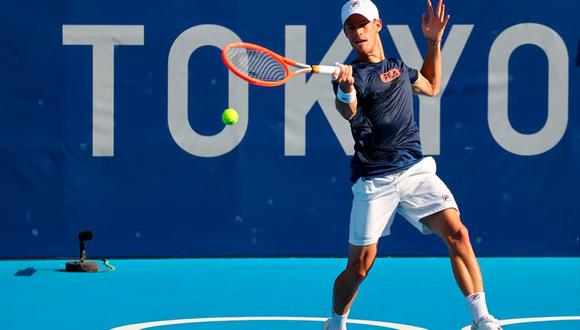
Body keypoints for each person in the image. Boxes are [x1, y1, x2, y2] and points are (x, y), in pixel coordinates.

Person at [324, 1, 502, 329]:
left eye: (363, 23)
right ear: (346, 34)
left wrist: (433, 42)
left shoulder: (398, 66)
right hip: (374, 180)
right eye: (351, 27)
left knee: (458, 234)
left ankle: (481, 318)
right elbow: (347, 111)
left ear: (378, 26)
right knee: (360, 266)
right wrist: (347, 88)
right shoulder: (352, 76)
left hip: (414, 170)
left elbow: (432, 86)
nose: (358, 31)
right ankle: (335, 321)